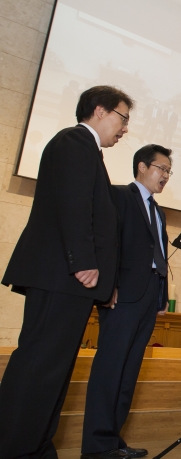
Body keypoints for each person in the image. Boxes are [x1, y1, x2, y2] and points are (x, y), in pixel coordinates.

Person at [0, 85, 132, 459]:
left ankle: (36, 446)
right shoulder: (74, 141)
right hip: (61, 275)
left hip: (69, 280)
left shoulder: (87, 149)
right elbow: (73, 205)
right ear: (101, 110)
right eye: (123, 118)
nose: (124, 129)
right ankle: (14, 448)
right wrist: (83, 260)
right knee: (39, 366)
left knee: (54, 372)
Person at [81, 144, 172, 458]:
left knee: (129, 370)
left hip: (148, 296)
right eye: (162, 169)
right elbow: (107, 241)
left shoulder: (158, 211)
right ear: (142, 167)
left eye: (169, 172)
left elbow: (159, 255)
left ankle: (113, 441)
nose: (166, 176)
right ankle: (96, 446)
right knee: (111, 368)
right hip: (122, 295)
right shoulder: (119, 195)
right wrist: (109, 286)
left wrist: (162, 295)